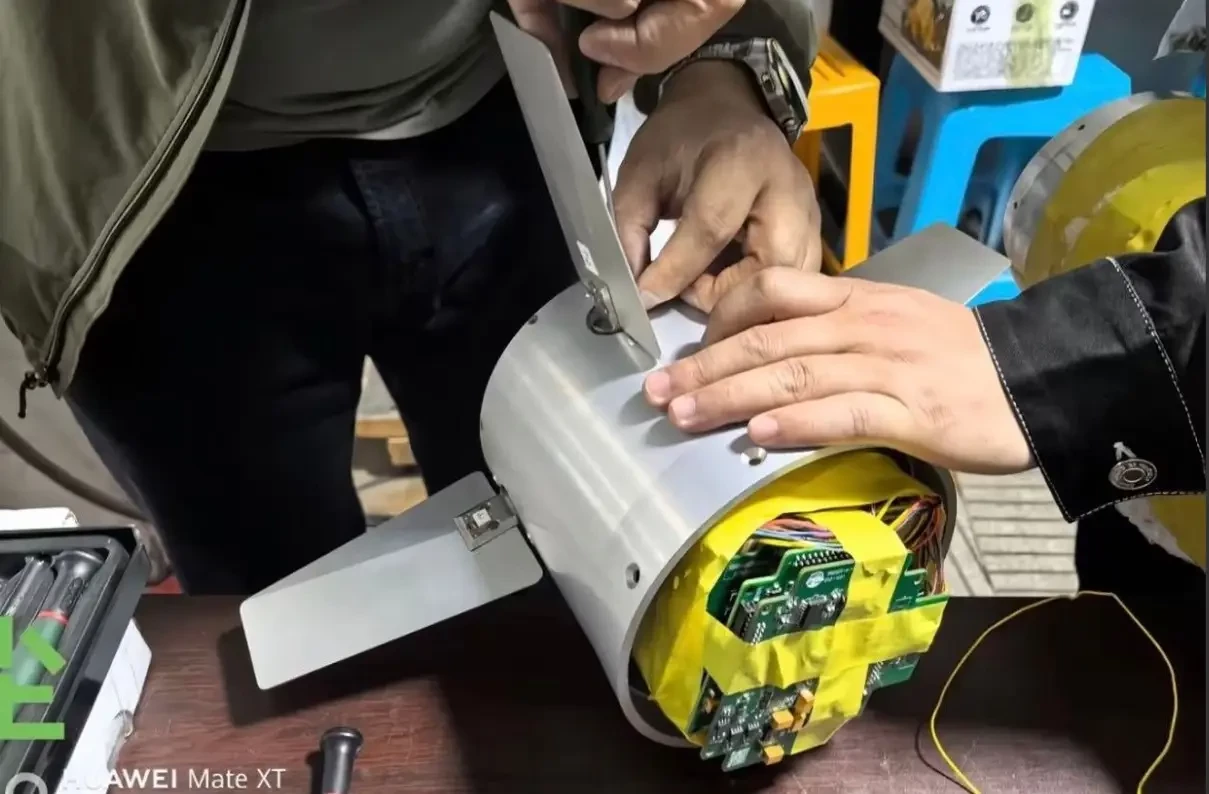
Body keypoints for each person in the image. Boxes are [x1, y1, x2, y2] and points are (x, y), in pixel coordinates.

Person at [0, 0, 823, 593]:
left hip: (505, 108)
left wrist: (727, 66)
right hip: (139, 192)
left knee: (568, 565)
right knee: (273, 609)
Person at [645, 197, 1206, 597]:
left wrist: (1042, 359)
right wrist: (739, 87)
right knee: (1125, 639)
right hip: (1152, 497)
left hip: (1163, 403)